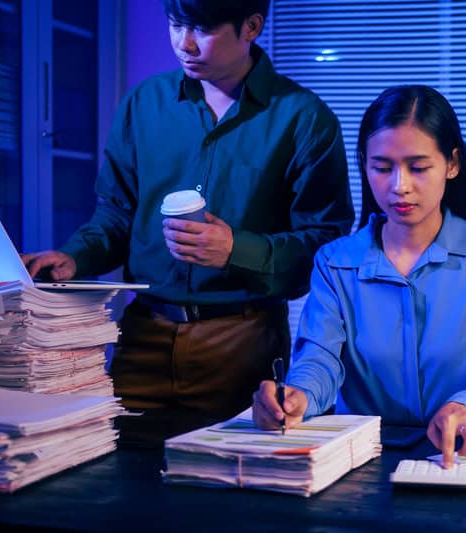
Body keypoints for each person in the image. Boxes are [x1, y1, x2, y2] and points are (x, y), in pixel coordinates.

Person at [22, 0, 354, 419]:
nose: (185, 44)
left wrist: (236, 249)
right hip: (143, 335)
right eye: (176, 24)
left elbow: (325, 245)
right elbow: (117, 214)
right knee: (117, 459)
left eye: (203, 28)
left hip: (243, 344)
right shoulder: (144, 104)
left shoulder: (305, 118)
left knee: (234, 460)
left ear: (251, 27)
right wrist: (75, 258)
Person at [252, 85, 466, 467]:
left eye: (418, 167)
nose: (399, 186)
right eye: (382, 168)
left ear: (451, 164)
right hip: (359, 458)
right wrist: (298, 395)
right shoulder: (335, 261)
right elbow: (319, 358)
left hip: (459, 455)